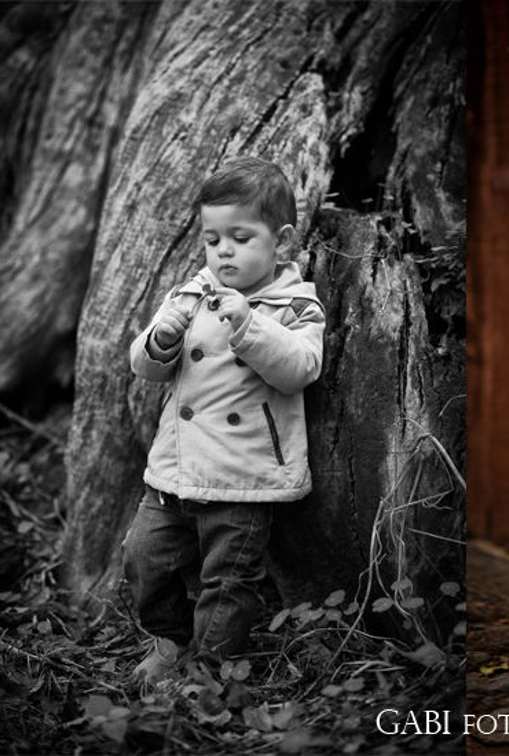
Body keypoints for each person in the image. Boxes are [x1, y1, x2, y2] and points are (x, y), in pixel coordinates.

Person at [123, 156, 325, 682]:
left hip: (243, 476)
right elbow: (144, 367)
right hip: (175, 467)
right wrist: (159, 341)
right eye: (213, 240)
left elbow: (300, 368)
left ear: (281, 241)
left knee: (228, 582)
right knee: (142, 556)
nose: (223, 251)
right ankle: (167, 641)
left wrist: (248, 323)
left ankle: (213, 670)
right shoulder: (190, 292)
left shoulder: (294, 304)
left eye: (240, 237)